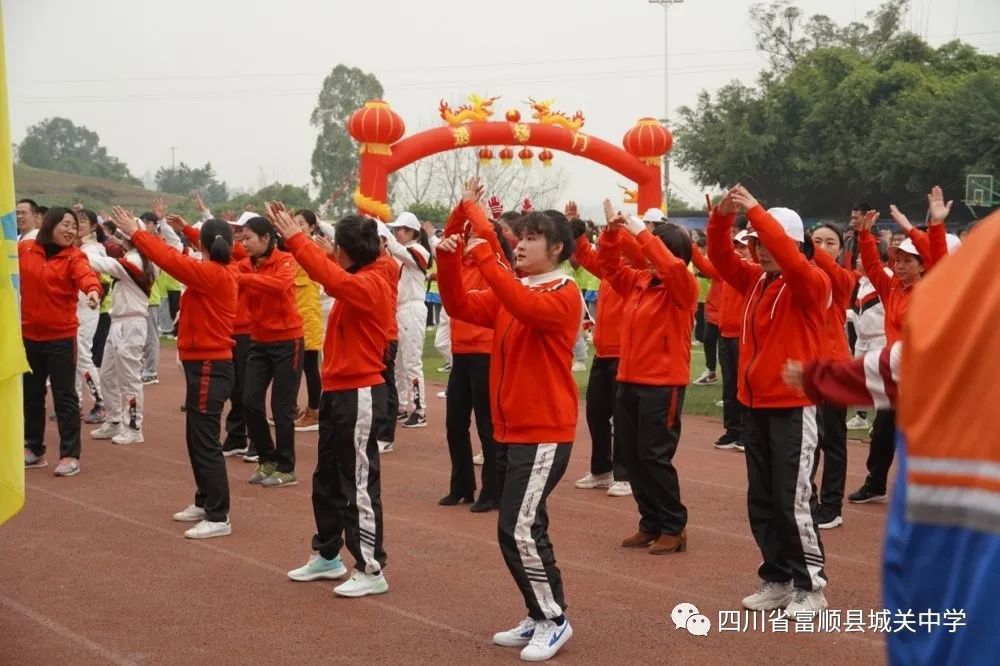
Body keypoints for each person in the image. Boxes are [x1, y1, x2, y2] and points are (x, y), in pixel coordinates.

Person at [437, 189, 580, 662]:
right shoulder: (514, 291)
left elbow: (520, 303)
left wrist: (482, 242)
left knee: (517, 529)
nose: (519, 245)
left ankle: (554, 619)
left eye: (532, 238)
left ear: (557, 248)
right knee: (524, 526)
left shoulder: (562, 292)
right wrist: (450, 252)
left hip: (544, 430)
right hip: (514, 428)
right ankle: (541, 613)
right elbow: (458, 304)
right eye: (519, 237)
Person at [707, 185, 832, 618]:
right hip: (755, 404)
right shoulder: (758, 281)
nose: (757, 251)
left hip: (794, 406)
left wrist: (757, 212)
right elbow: (721, 259)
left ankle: (810, 585)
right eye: (753, 244)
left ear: (791, 243)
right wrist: (723, 218)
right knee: (761, 496)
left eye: (763, 243)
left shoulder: (811, 281)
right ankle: (777, 578)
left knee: (792, 497)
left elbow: (794, 261)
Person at [269, 204, 394, 598]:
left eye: (337, 248)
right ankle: (327, 554)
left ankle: (371, 567)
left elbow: (334, 281)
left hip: (359, 393)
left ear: (348, 251)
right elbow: (335, 275)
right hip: (338, 392)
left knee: (357, 482)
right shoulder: (361, 272)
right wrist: (321, 250)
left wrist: (297, 240)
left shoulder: (375, 282)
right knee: (326, 476)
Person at [115, 207, 238, 539]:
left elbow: (170, 260)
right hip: (203, 364)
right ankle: (205, 501)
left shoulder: (215, 273)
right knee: (195, 437)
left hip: (212, 365)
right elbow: (176, 254)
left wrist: (137, 232)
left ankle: (219, 515)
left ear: (206, 246)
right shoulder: (213, 269)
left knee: (204, 440)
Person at [596, 200, 698, 554]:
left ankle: (674, 525)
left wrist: (642, 232)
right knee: (633, 457)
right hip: (629, 379)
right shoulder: (639, 281)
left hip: (662, 384)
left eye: (660, 251)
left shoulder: (682, 286)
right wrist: (610, 234)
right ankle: (649, 522)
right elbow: (608, 266)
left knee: (655, 457)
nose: (651, 256)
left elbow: (671, 266)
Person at [436, 181, 514, 513]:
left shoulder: (495, 265)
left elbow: (486, 231)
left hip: (486, 354)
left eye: (474, 233)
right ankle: (461, 486)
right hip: (461, 354)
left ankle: (493, 491)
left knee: (487, 424)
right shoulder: (459, 264)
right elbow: (448, 237)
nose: (468, 237)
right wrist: (462, 206)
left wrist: (472, 207)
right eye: (467, 234)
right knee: (455, 424)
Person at [21, 207, 103, 476]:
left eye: (73, 226)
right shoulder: (27, 250)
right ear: (49, 225)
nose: (70, 230)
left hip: (61, 338)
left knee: (65, 396)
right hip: (29, 336)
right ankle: (34, 448)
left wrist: (92, 291)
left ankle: (69, 454)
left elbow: (87, 276)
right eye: (65, 225)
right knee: (32, 395)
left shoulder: (74, 256)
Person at [567, 202, 640, 498]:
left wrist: (616, 228)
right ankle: (601, 470)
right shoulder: (611, 270)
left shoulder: (637, 273)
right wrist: (574, 228)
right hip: (604, 352)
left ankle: (625, 474)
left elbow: (631, 249)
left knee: (623, 418)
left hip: (627, 354)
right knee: (596, 413)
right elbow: (584, 256)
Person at [235, 217, 305, 488]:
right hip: (258, 341)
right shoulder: (243, 265)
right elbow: (231, 289)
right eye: (241, 238)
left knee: (281, 408)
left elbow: (280, 286)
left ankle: (287, 467)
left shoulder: (285, 261)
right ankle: (267, 459)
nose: (244, 243)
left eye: (248, 238)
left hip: (288, 341)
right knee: (249, 401)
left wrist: (244, 278)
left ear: (266, 239)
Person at [86, 224, 155, 445]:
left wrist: (78, 249)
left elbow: (103, 264)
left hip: (131, 324)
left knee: (129, 379)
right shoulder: (137, 258)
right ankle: (115, 420)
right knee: (107, 374)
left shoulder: (136, 261)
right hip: (119, 323)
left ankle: (134, 428)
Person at [809, 222, 855, 529]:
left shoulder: (843, 279)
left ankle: (832, 505)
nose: (823, 248)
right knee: (806, 442)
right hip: (806, 370)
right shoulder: (800, 278)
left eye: (830, 243)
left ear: (840, 250)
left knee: (833, 441)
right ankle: (806, 498)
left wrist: (804, 245)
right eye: (817, 241)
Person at [702, 229, 752, 451]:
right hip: (726, 334)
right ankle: (732, 430)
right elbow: (705, 266)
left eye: (743, 246)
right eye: (737, 246)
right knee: (730, 387)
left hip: (744, 337)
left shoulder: (753, 274)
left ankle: (747, 432)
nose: (739, 250)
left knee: (744, 386)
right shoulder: (727, 272)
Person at [385, 211, 432, 429]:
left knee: (412, 362)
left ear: (412, 231)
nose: (396, 234)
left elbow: (399, 250)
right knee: (398, 364)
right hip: (400, 309)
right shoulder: (401, 254)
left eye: (400, 230)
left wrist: (382, 229)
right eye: (394, 230)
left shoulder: (419, 250)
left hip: (413, 308)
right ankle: (402, 405)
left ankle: (419, 409)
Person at [74, 209, 109, 424]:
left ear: (94, 226)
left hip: (88, 306)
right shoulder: (79, 248)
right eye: (74, 222)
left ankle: (101, 402)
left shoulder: (95, 250)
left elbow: (96, 266)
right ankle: (74, 403)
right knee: (74, 355)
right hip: (73, 306)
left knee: (82, 354)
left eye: (83, 222)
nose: (78, 225)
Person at [291, 209, 324, 432]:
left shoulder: (312, 246)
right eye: (294, 223)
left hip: (309, 308)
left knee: (310, 364)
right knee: (297, 364)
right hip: (295, 308)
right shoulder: (293, 246)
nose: (298, 226)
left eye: (301, 223)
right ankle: (296, 408)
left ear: (312, 227)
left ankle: (315, 410)